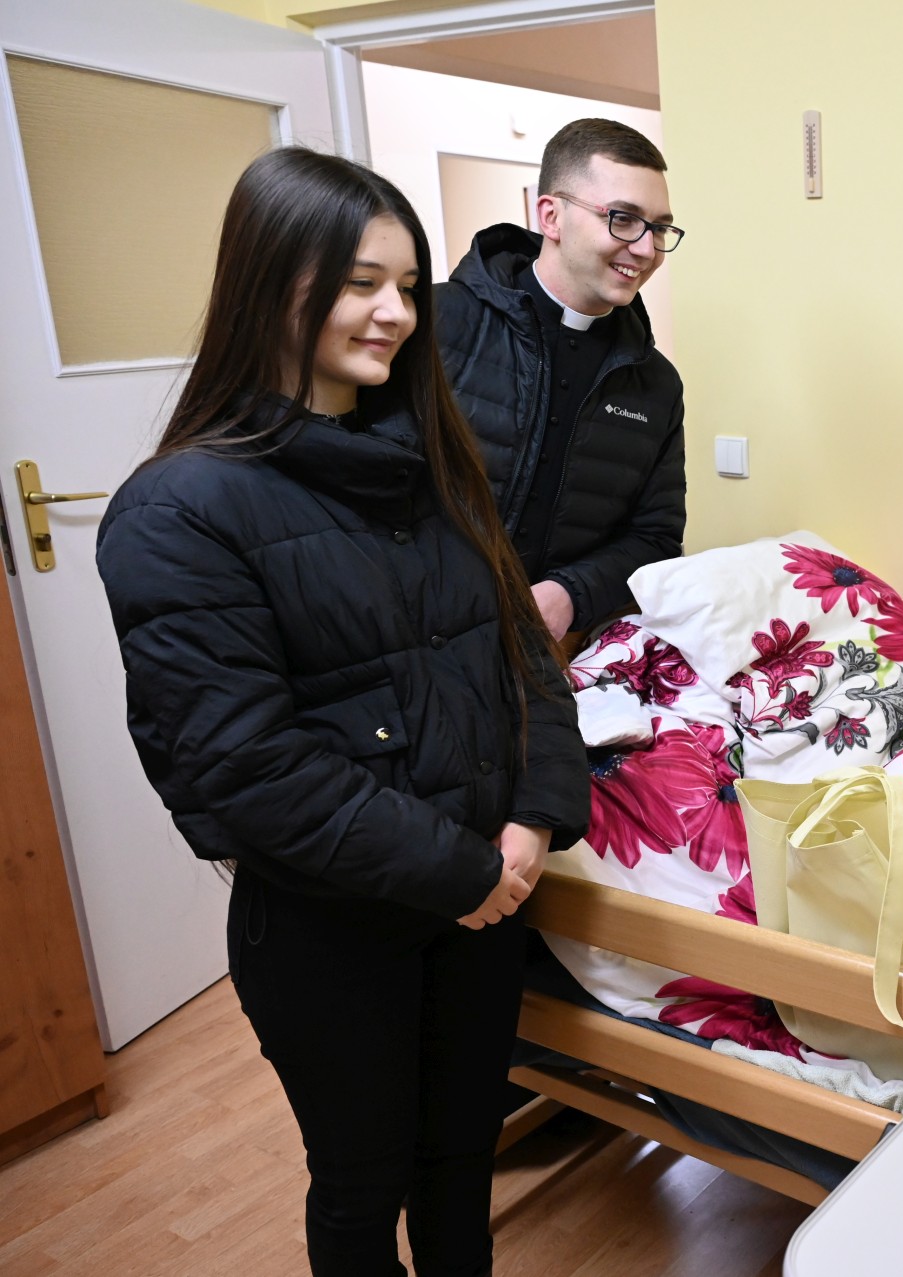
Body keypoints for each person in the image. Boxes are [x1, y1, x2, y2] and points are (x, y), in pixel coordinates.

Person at [96, 148, 589, 1276]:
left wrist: (532, 820)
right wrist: (467, 871)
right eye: (363, 282)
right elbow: (244, 764)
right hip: (337, 928)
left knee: (461, 1160)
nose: (396, 312)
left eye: (408, 285)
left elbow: (525, 657)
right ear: (273, 280)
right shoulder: (181, 511)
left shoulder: (437, 462)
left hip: (483, 897)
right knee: (363, 1186)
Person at [437, 117, 687, 642]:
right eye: (623, 219)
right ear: (551, 216)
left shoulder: (656, 384)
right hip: (418, 637)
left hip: (556, 649)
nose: (646, 249)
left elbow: (655, 537)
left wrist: (570, 593)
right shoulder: (436, 325)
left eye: (659, 228)